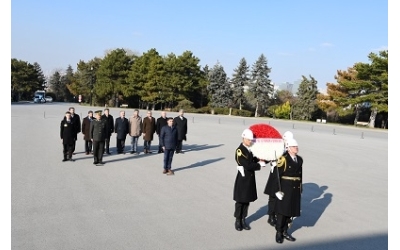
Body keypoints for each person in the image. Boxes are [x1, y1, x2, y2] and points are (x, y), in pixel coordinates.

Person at [264, 138, 303, 244]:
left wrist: (300, 187)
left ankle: (285, 231)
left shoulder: (299, 159)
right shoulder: (283, 159)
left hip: (295, 189)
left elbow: (300, 175)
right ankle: (279, 232)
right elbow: (277, 177)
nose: (296, 148)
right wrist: (277, 191)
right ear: (289, 148)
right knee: (282, 212)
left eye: (297, 146)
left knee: (290, 212)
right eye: (294, 147)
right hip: (285, 189)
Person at [233, 129, 266, 231]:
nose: (250, 141)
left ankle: (243, 219)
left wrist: (263, 159)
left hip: (250, 178)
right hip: (243, 178)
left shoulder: (250, 149)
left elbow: (254, 159)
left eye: (251, 140)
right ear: (243, 138)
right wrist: (258, 165)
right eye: (248, 139)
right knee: (240, 201)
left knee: (247, 200)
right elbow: (246, 164)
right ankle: (238, 220)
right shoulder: (240, 150)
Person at [266, 130, 295, 227]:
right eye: (285, 139)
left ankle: (279, 215)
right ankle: (271, 216)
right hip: (275, 174)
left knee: (281, 197)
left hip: (284, 176)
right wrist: (272, 161)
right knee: (273, 196)